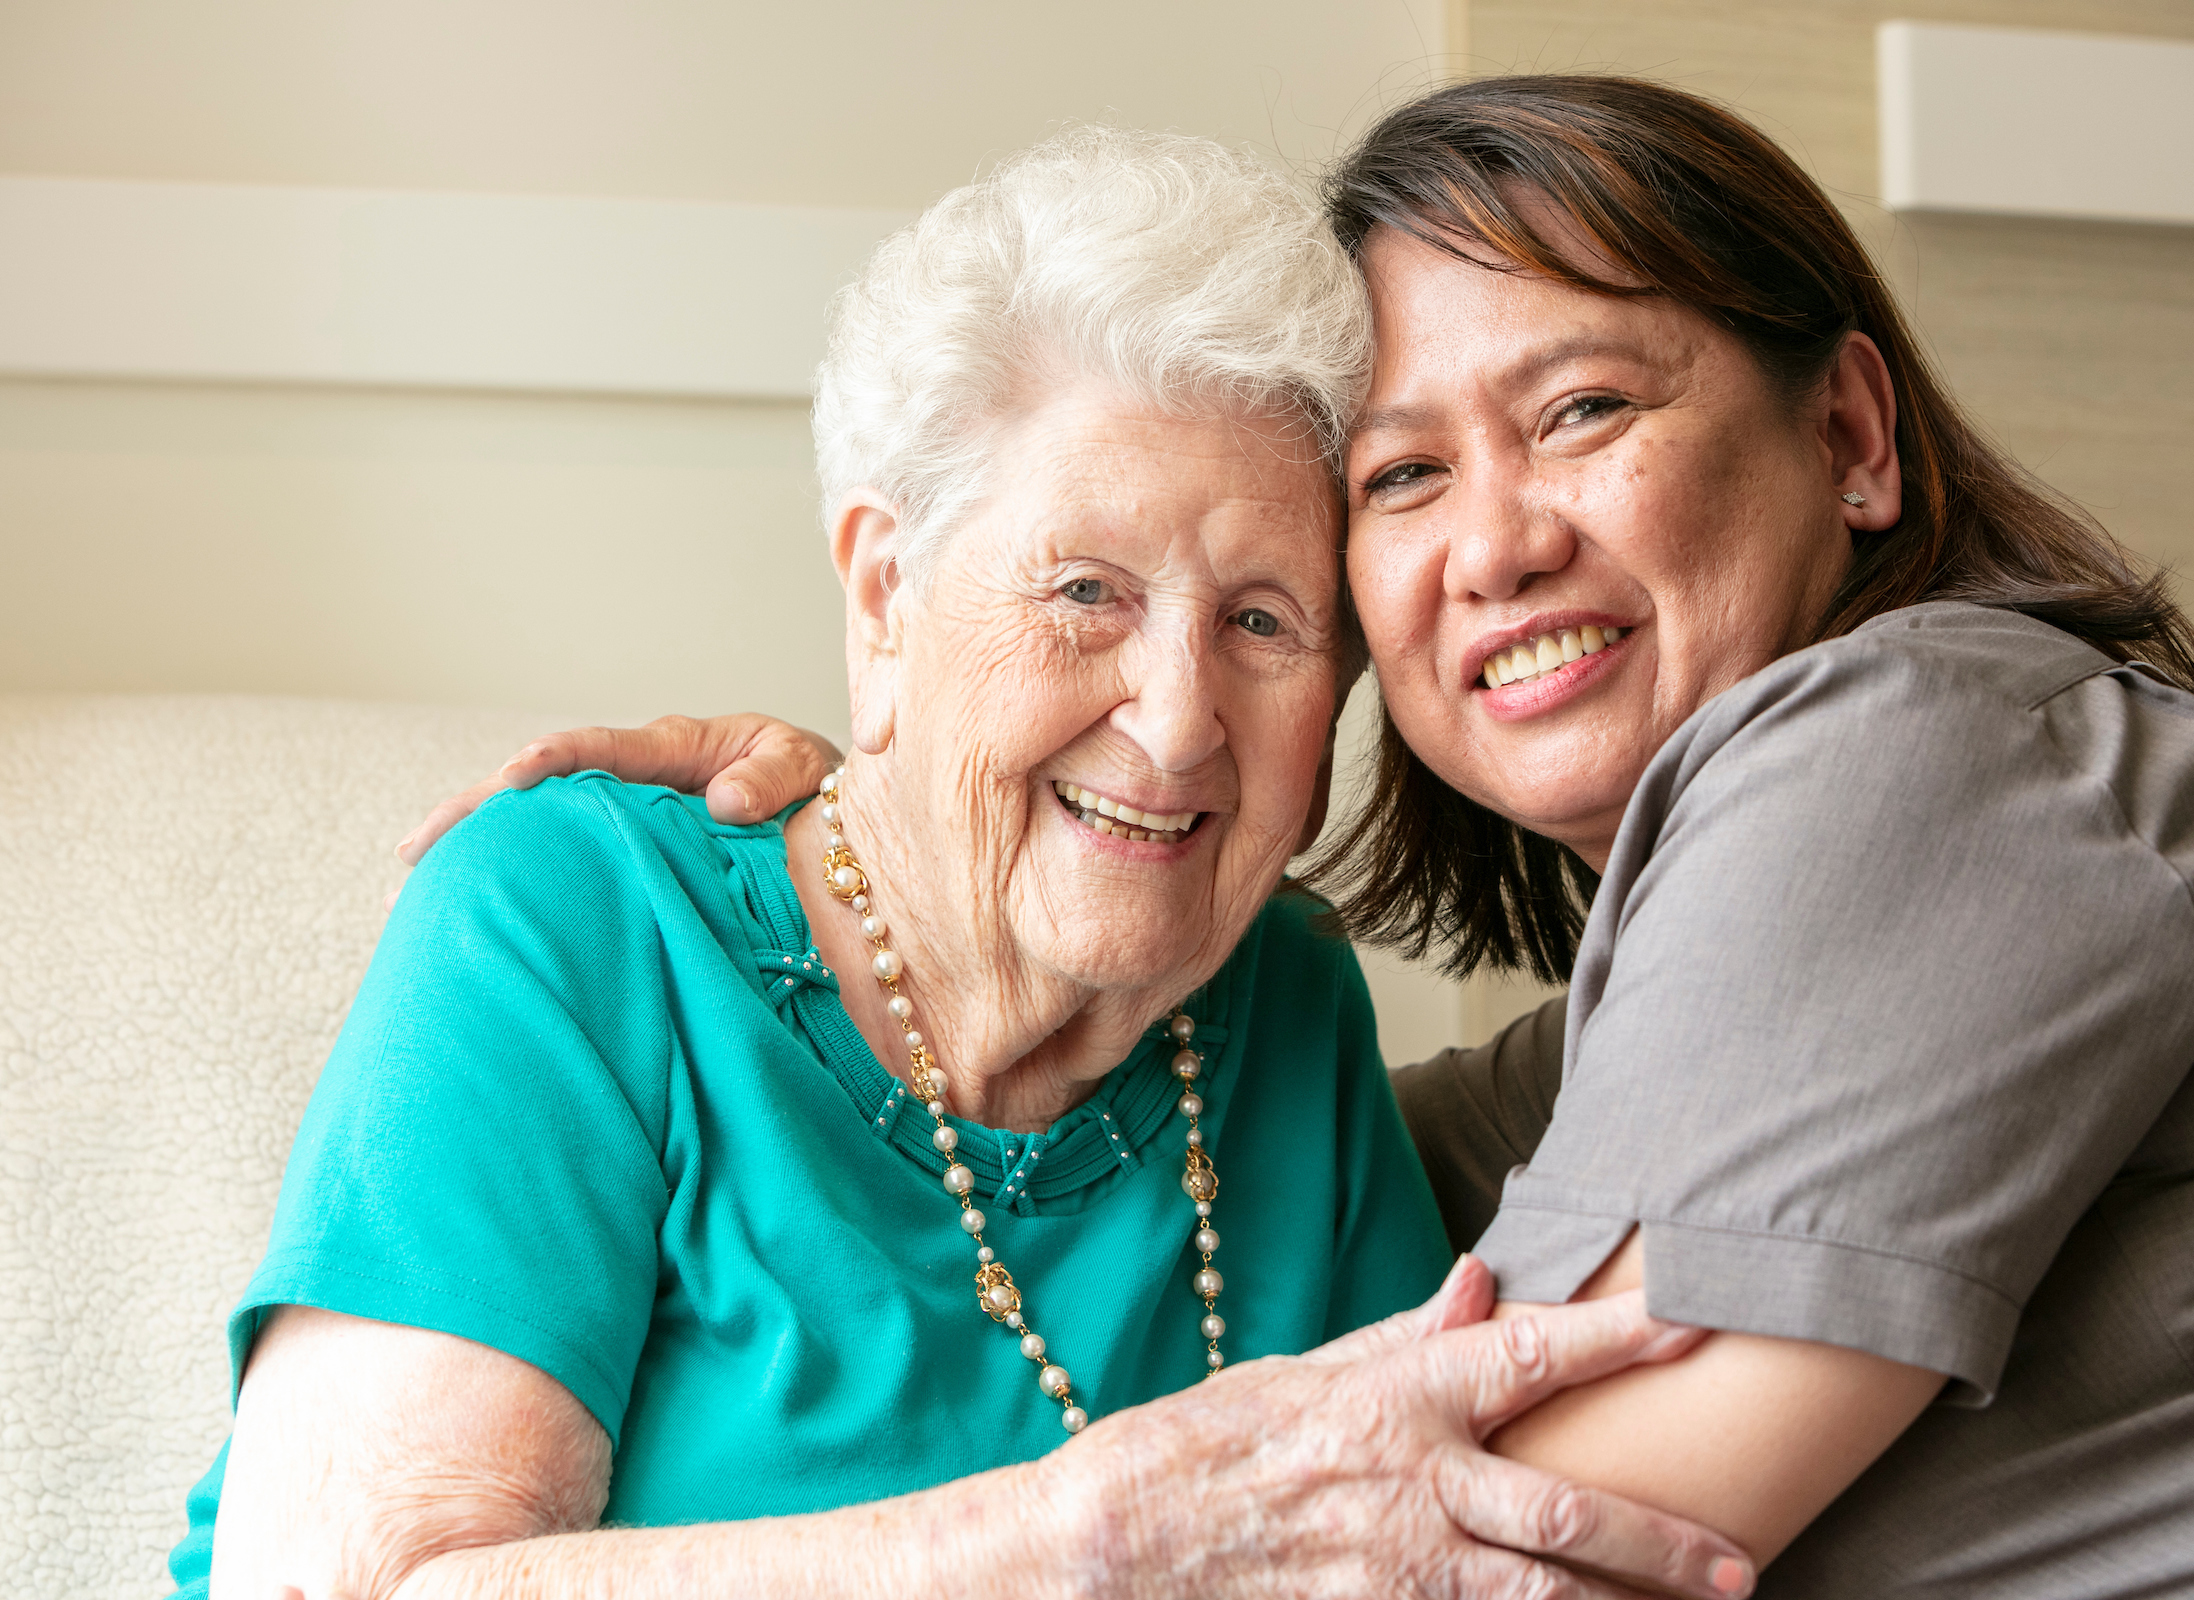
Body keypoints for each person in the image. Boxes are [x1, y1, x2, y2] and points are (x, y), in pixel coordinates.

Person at [465, 77, 2194, 1596]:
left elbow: (1466, 1556)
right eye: (1406, 476)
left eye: (1586, 407)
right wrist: (878, 848)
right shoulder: (1683, 998)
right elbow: (1210, 1140)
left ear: (1851, 432)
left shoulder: (1930, 752)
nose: (1493, 541)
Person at [171, 127, 1758, 1600]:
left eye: (1264, 623)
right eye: (1085, 591)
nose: (1178, 716)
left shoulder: (1285, 1009)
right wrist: (1093, 1535)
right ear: (884, 596)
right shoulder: (576, 925)